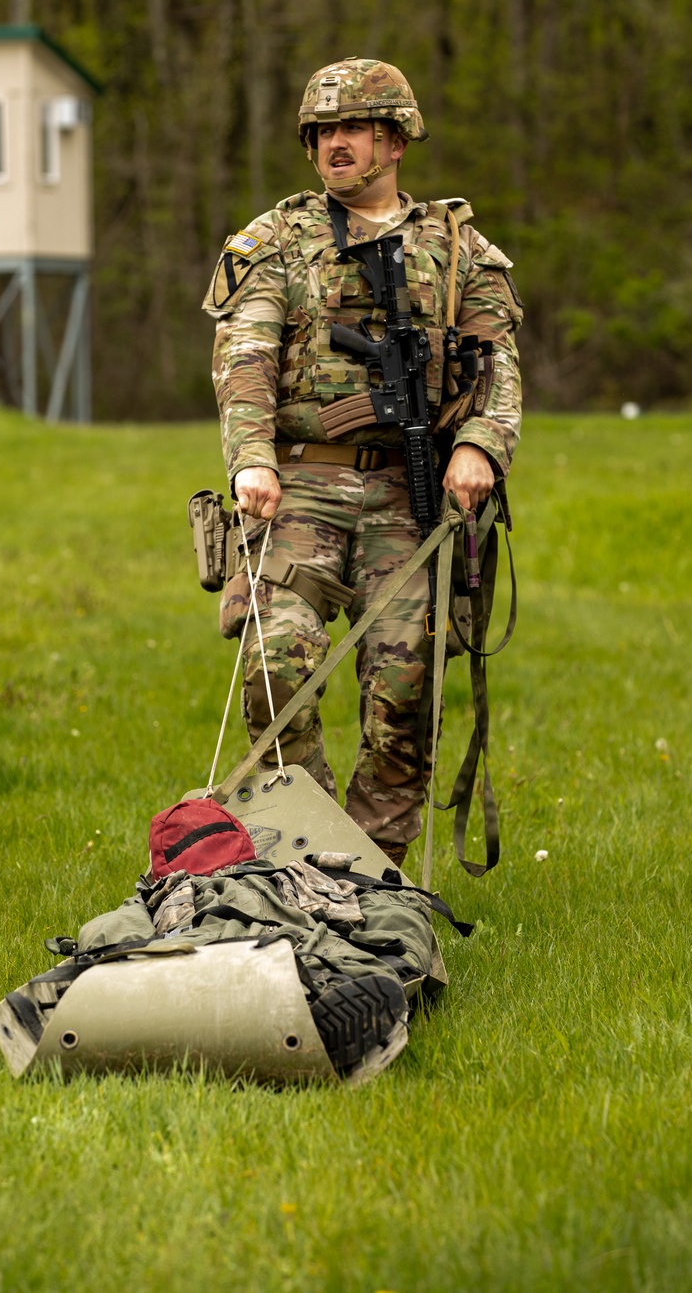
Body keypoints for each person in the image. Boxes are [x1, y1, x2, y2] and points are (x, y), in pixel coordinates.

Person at [202, 58, 522, 868]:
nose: (335, 145)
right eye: (322, 132)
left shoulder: (458, 250)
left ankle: (372, 873)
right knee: (276, 665)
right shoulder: (274, 239)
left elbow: (497, 366)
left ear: (395, 138)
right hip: (298, 488)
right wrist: (251, 459)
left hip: (407, 498)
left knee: (404, 694)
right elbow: (244, 352)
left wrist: (481, 445)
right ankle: (305, 852)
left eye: (352, 129)